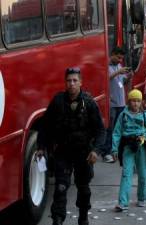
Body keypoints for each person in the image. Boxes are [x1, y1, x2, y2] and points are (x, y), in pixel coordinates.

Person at [37, 67, 106, 225]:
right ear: (65, 83)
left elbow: (101, 130)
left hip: (84, 153)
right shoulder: (58, 101)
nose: (72, 84)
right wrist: (41, 146)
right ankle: (58, 220)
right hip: (63, 152)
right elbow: (45, 125)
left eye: (75, 81)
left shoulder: (89, 103)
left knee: (83, 188)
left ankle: (83, 218)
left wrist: (96, 151)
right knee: (60, 187)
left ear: (81, 82)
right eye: (69, 81)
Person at [112, 89, 146, 211]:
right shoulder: (123, 115)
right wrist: (114, 149)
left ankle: (142, 198)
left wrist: (145, 136)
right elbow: (116, 132)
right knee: (126, 174)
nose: (135, 104)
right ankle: (122, 202)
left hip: (141, 147)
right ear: (128, 102)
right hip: (127, 146)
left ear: (141, 102)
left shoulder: (145, 115)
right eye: (133, 101)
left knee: (142, 174)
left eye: (138, 101)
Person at [103, 47, 132, 163]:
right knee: (110, 128)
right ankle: (106, 152)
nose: (120, 60)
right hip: (112, 103)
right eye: (118, 57)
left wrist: (128, 76)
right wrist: (118, 72)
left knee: (119, 128)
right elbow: (106, 79)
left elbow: (122, 81)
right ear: (113, 54)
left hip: (121, 102)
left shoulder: (119, 66)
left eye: (121, 58)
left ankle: (116, 150)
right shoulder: (106, 66)